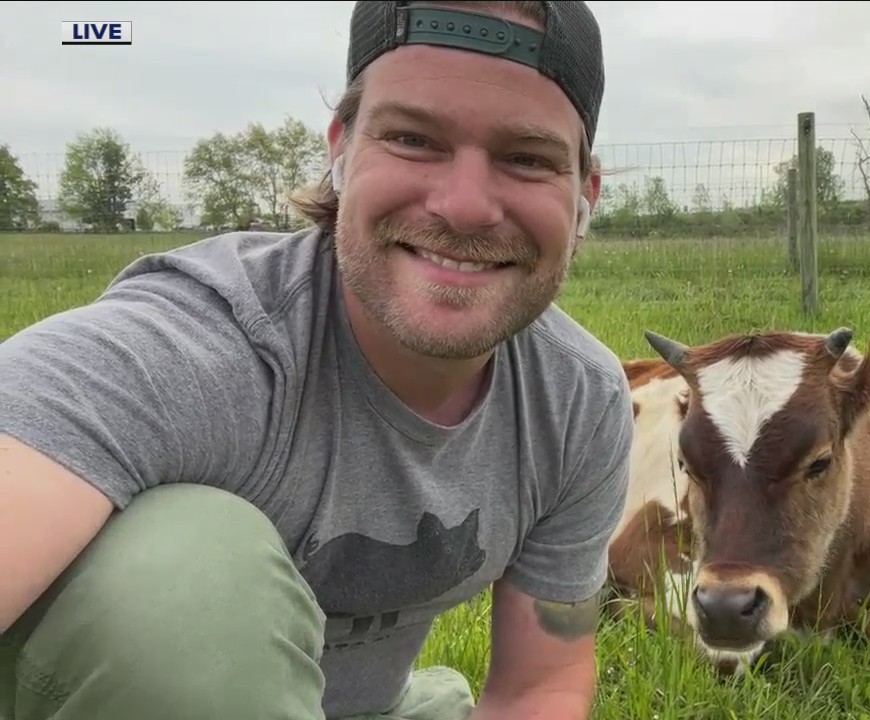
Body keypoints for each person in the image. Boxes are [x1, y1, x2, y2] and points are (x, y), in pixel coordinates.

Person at [0, 1, 632, 719]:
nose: (463, 206)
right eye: (414, 139)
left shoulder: (578, 400)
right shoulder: (195, 351)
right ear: (342, 148)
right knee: (188, 567)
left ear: (584, 197)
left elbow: (538, 688)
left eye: (526, 158)